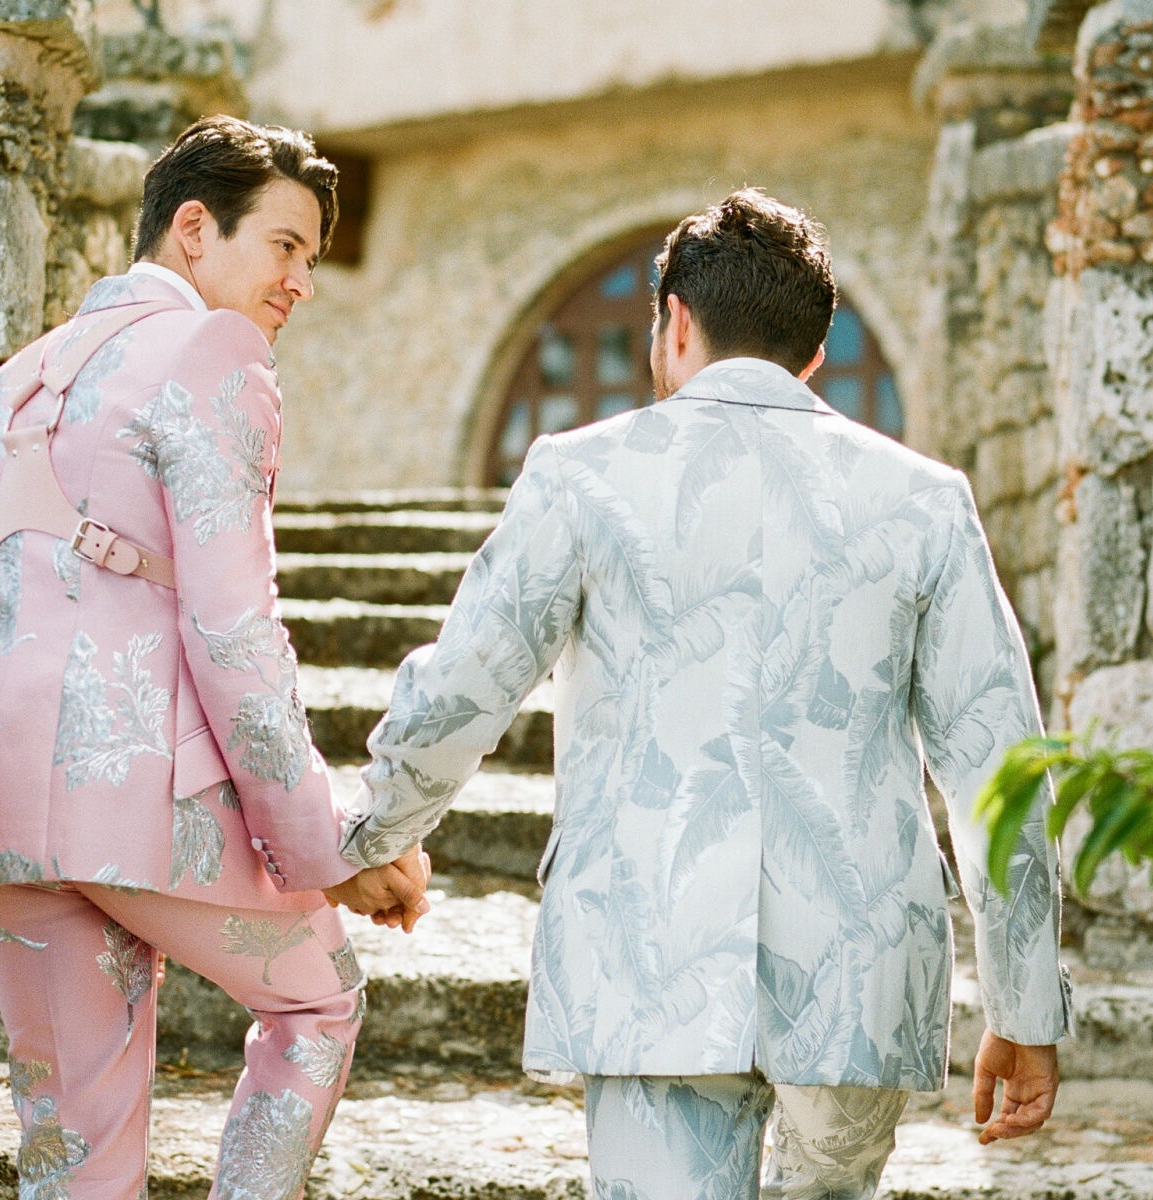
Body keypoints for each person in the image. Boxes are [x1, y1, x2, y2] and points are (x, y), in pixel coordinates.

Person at [331, 189, 1072, 1199]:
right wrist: (1025, 1006)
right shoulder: (923, 499)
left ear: (674, 322)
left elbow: (466, 685)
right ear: (811, 355)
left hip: (650, 948)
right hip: (859, 970)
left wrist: (373, 836)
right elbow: (999, 765)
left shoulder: (580, 476)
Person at [0, 115, 429, 1200]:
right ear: (194, 227)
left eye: (313, 260)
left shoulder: (11, 380)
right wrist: (322, 844)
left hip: (1, 792)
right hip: (140, 792)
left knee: (73, 1154)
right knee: (317, 1001)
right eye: (285, 246)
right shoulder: (210, 351)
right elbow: (231, 629)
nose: (302, 282)